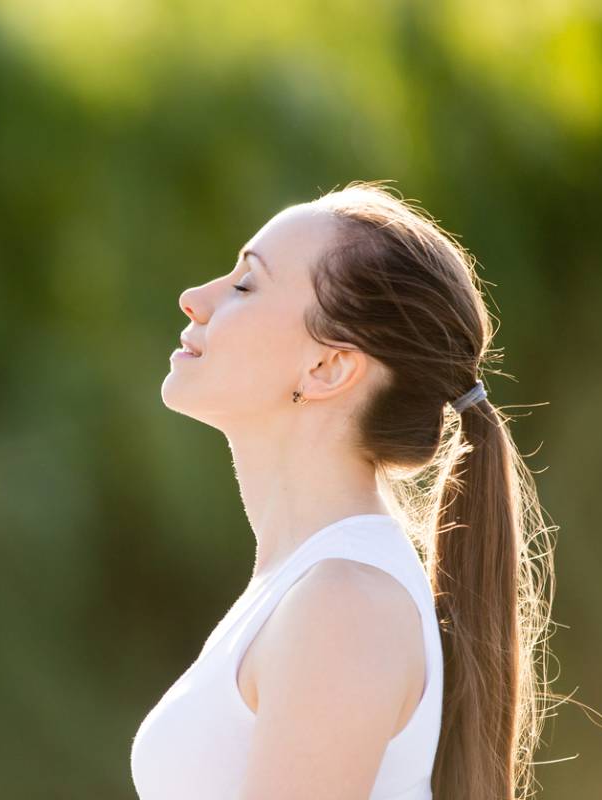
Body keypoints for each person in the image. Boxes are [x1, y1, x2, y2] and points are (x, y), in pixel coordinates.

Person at [130, 180, 557, 799]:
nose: (195, 298)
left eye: (246, 283)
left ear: (328, 367)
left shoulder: (344, 602)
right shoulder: (311, 587)